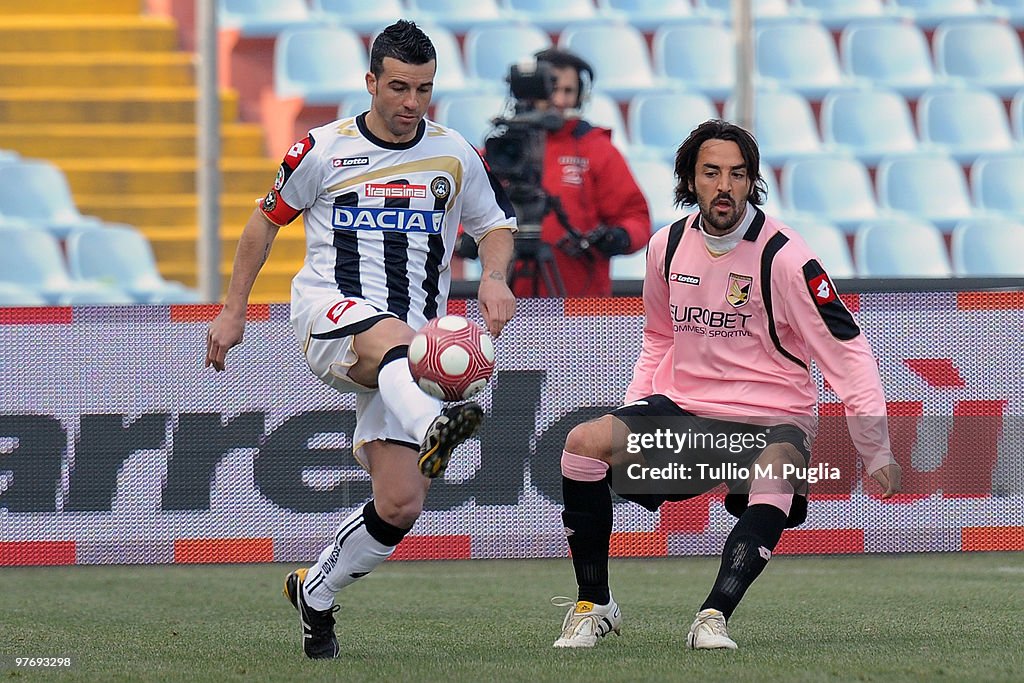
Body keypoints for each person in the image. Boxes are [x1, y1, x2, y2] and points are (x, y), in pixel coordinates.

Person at [204, 20, 517, 660]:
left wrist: (493, 276)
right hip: (333, 314)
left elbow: (494, 226)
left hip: (414, 348)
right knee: (400, 341)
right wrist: (232, 310)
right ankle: (440, 419)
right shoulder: (321, 149)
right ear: (370, 82)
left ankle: (315, 590)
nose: (410, 103)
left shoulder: (456, 154)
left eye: (423, 90)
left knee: (400, 502)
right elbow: (263, 226)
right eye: (398, 87)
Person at [551, 120, 902, 650]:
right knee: (583, 444)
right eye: (711, 172)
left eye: (738, 175)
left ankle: (712, 617)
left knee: (777, 466)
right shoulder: (665, 247)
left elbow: (846, 350)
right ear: (689, 180)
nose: (725, 186)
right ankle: (593, 605)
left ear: (752, 182)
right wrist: (634, 415)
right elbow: (657, 339)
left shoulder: (785, 256)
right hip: (686, 413)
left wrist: (874, 448)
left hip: (771, 417)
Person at [512, 48, 651, 298]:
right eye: (552, 89)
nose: (560, 101)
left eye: (569, 92)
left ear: (580, 97)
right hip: (509, 301)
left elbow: (636, 216)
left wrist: (619, 237)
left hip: (581, 303)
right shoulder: (505, 148)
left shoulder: (597, 149)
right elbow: (463, 207)